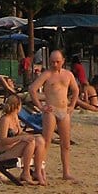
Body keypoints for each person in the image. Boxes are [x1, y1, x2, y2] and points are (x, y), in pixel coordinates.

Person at [30, 49, 79, 180]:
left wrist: (72, 105)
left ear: (63, 61)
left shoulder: (68, 74)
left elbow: (75, 90)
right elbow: (33, 89)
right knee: (46, 141)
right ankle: (39, 170)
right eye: (52, 62)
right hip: (51, 110)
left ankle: (66, 172)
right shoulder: (47, 74)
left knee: (66, 143)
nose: (55, 64)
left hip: (64, 110)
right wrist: (40, 107)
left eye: (57, 61)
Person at [0, 95, 47, 184]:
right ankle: (25, 173)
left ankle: (38, 172)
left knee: (39, 140)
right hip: (4, 153)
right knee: (30, 142)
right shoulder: (5, 120)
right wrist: (21, 138)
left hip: (14, 149)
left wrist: (33, 136)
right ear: (17, 106)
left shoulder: (15, 117)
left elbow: (20, 133)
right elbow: (2, 141)